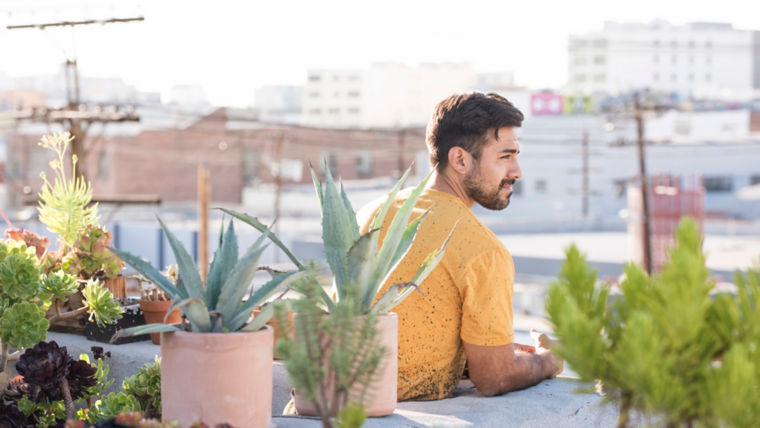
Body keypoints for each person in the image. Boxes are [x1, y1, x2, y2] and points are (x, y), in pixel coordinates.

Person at [357, 92, 563, 401]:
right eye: (505, 156)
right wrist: (550, 359)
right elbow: (495, 376)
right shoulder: (483, 251)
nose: (517, 171)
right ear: (460, 160)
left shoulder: (375, 212)